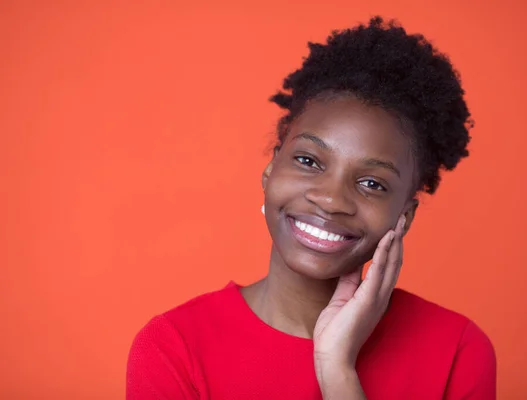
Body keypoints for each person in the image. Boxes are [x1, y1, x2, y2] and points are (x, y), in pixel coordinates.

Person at [126, 16, 496, 399]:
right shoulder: (173, 348)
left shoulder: (457, 351)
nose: (331, 199)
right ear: (270, 171)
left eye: (372, 183)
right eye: (308, 161)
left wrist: (337, 369)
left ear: (404, 217)